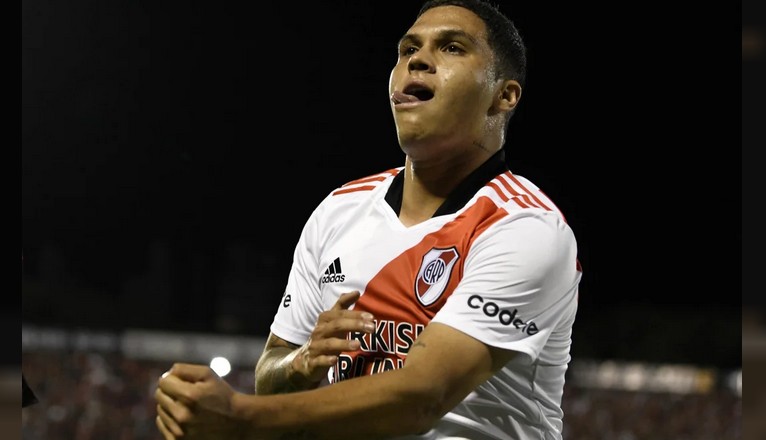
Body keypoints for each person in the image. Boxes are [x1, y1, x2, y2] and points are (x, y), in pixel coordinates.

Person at [154, 0, 582, 438]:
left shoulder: (525, 226)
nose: (417, 59)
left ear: (504, 95)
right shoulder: (339, 210)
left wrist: (241, 418)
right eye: (408, 49)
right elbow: (271, 375)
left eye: (452, 47)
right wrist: (302, 362)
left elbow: (424, 396)